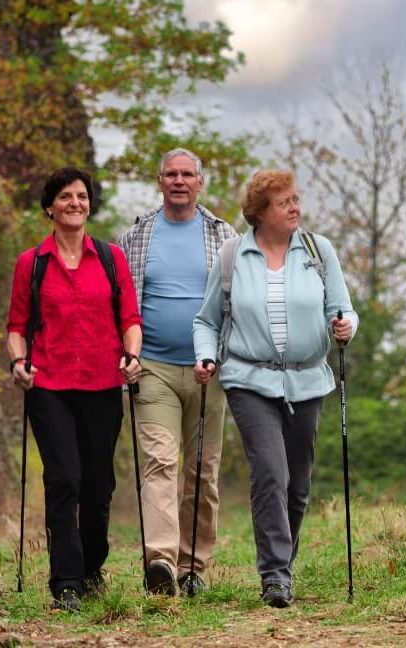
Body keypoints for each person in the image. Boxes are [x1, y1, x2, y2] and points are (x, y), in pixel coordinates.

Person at [193, 169, 357, 608]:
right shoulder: (233, 255)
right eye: (285, 202)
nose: (295, 208)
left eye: (296, 199)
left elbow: (342, 309)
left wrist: (345, 326)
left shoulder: (318, 250)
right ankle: (275, 575)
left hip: (307, 379)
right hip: (249, 379)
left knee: (297, 486)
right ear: (261, 211)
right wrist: (206, 356)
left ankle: (283, 561)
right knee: (270, 473)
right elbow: (207, 321)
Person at [7, 166, 143, 612]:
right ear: (50, 206)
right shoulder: (32, 263)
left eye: (81, 196)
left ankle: (91, 567)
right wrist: (18, 363)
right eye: (65, 196)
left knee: (98, 485)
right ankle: (66, 581)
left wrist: (132, 355)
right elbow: (16, 327)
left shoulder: (110, 258)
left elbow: (130, 320)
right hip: (49, 386)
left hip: (103, 383)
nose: (75, 203)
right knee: (64, 479)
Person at [117, 148, 236, 596]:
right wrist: (125, 354)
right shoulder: (136, 236)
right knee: (160, 462)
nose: (179, 181)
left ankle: (193, 567)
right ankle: (161, 563)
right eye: (171, 174)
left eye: (187, 174)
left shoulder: (225, 236)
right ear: (160, 181)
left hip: (210, 372)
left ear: (200, 182)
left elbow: (238, 302)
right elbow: (121, 302)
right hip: (153, 369)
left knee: (202, 471)